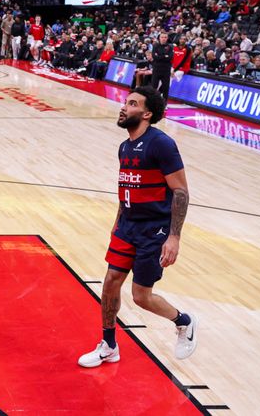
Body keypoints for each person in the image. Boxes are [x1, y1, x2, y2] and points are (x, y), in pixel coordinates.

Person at [78, 86, 197, 368]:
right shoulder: (125, 146)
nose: (124, 107)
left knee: (141, 296)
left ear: (147, 113)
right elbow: (126, 188)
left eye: (131, 103)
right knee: (109, 283)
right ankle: (109, 345)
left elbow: (180, 191)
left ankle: (184, 321)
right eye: (125, 102)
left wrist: (174, 237)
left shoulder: (161, 144)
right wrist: (117, 223)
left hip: (154, 230)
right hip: (127, 227)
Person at [150, 32, 173, 101]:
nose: (163, 39)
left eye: (165, 37)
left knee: (166, 87)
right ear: (159, 38)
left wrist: (159, 56)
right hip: (156, 69)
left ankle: (164, 102)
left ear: (167, 38)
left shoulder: (170, 46)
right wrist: (164, 56)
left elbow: (170, 57)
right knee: (154, 86)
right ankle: (152, 101)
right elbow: (154, 56)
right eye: (162, 37)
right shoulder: (155, 45)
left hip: (166, 70)